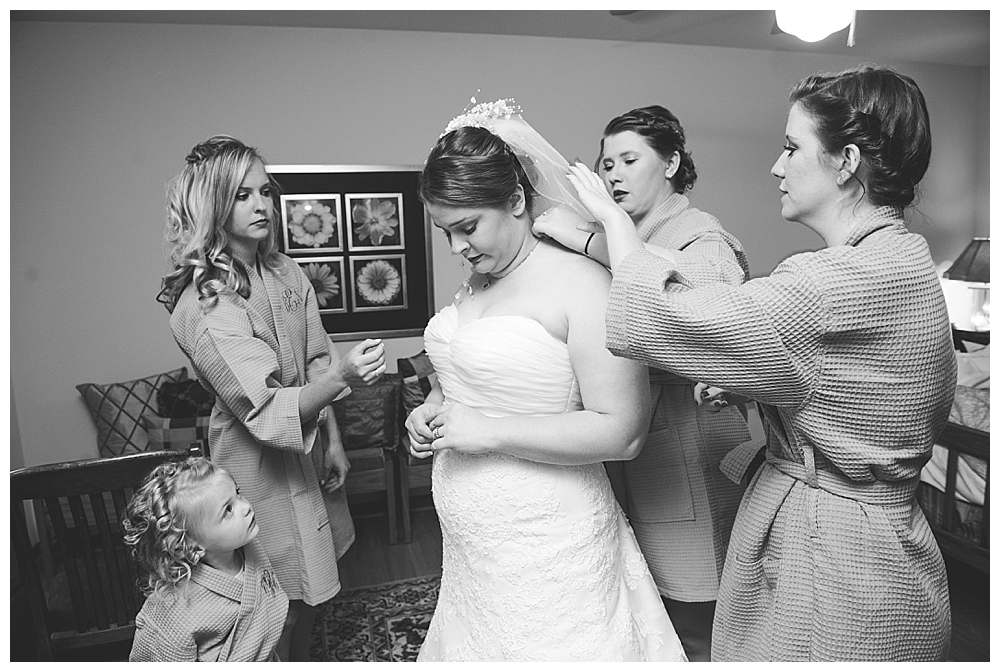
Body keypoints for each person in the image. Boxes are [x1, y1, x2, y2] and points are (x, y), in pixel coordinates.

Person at [565, 65, 956, 661]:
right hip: (883, 541)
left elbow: (664, 317)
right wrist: (758, 386)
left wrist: (613, 230)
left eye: (793, 147)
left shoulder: (839, 280)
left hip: (839, 559)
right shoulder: (900, 257)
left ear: (846, 160)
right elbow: (846, 384)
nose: (776, 165)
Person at [405, 98, 687, 661]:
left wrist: (487, 430)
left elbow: (623, 432)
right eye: (445, 232)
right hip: (473, 548)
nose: (458, 246)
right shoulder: (475, 284)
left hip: (551, 540)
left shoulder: (584, 284)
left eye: (467, 227)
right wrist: (431, 408)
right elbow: (466, 380)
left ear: (515, 200)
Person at [534, 105, 754, 660]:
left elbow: (705, 318)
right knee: (647, 607)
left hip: (690, 437)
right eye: (606, 164)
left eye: (630, 160)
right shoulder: (624, 234)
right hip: (636, 442)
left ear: (672, 163)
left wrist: (592, 241)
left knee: (697, 604)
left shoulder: (700, 237)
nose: (613, 176)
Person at [157, 135, 387, 661]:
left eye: (265, 191)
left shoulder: (286, 270)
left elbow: (315, 359)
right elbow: (261, 405)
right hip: (254, 467)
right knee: (269, 593)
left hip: (306, 453)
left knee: (311, 589)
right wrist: (344, 377)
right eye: (243, 195)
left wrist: (334, 440)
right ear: (214, 202)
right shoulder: (204, 300)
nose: (262, 205)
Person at [123, 457, 289, 661]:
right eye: (227, 510)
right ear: (193, 545)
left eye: (237, 493)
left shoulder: (249, 549)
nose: (245, 507)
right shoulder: (173, 612)